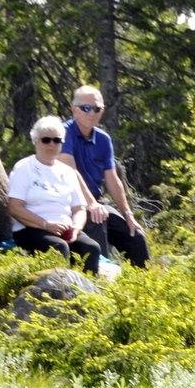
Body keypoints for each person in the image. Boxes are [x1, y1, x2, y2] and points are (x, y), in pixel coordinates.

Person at [57, 86, 150, 267]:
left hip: (97, 201)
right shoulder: (63, 133)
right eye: (85, 108)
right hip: (70, 202)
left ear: (102, 111)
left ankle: (143, 287)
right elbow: (70, 171)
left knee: (135, 236)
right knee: (96, 220)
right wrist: (91, 204)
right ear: (73, 109)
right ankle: (98, 285)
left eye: (96, 109)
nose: (91, 113)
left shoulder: (103, 139)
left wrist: (128, 214)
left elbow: (113, 179)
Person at [7, 116, 102, 275]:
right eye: (46, 139)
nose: (52, 144)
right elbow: (15, 208)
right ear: (36, 141)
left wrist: (76, 228)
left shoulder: (68, 172)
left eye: (57, 140)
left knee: (91, 248)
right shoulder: (24, 168)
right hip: (31, 228)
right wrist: (45, 224)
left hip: (65, 228)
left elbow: (79, 208)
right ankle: (58, 294)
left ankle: (87, 293)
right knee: (58, 247)